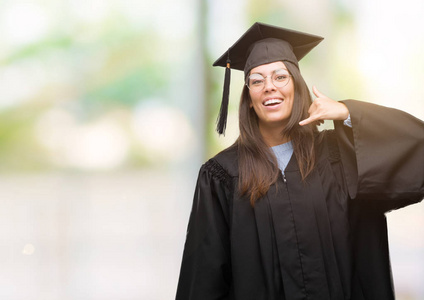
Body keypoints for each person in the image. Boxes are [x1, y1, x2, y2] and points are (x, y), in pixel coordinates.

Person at [176, 22, 424, 300]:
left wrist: (347, 112)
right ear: (249, 99)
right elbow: (204, 276)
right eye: (257, 81)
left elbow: (416, 146)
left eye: (280, 77)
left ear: (297, 85)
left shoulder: (338, 156)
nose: (269, 87)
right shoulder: (222, 175)